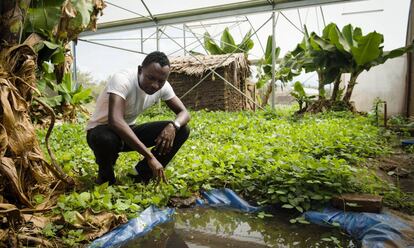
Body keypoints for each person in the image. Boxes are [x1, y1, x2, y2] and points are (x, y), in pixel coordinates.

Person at [86, 51, 190, 185]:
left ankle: (141, 175)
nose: (155, 85)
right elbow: (115, 121)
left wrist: (173, 126)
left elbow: (184, 113)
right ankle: (106, 178)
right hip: (101, 131)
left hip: (128, 132)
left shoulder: (163, 87)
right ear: (140, 70)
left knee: (182, 130)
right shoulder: (122, 79)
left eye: (161, 81)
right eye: (150, 78)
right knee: (104, 138)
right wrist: (149, 156)